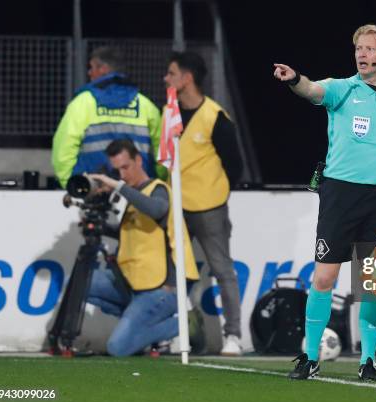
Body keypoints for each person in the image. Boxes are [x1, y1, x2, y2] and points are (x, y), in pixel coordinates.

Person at [274, 24, 376, 381]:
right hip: (340, 194)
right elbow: (311, 89)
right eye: (359, 48)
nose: (363, 54)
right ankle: (310, 357)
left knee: (373, 282)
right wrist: (295, 79)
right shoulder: (342, 89)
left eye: (371, 48)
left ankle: (367, 360)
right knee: (324, 276)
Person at [163, 52, 244, 355]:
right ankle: (179, 334)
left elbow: (235, 165)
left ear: (187, 78)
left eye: (171, 74)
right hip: (176, 208)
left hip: (209, 208)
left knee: (222, 270)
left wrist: (217, 193)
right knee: (174, 273)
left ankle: (233, 336)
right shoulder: (169, 113)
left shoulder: (215, 116)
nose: (166, 79)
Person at [86, 139, 198, 356]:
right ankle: (136, 326)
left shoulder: (158, 190)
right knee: (82, 284)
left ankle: (184, 325)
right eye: (116, 170)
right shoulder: (132, 196)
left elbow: (156, 210)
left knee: (117, 348)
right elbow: (131, 235)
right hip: (134, 283)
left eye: (125, 167)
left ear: (139, 160)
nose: (122, 174)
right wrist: (97, 227)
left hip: (163, 288)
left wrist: (118, 187)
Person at [52, 46, 162, 188]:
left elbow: (63, 150)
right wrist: (153, 183)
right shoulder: (146, 106)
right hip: (139, 193)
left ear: (103, 69)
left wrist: (74, 185)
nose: (89, 73)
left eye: (92, 68)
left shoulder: (83, 103)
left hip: (95, 191)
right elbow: (163, 154)